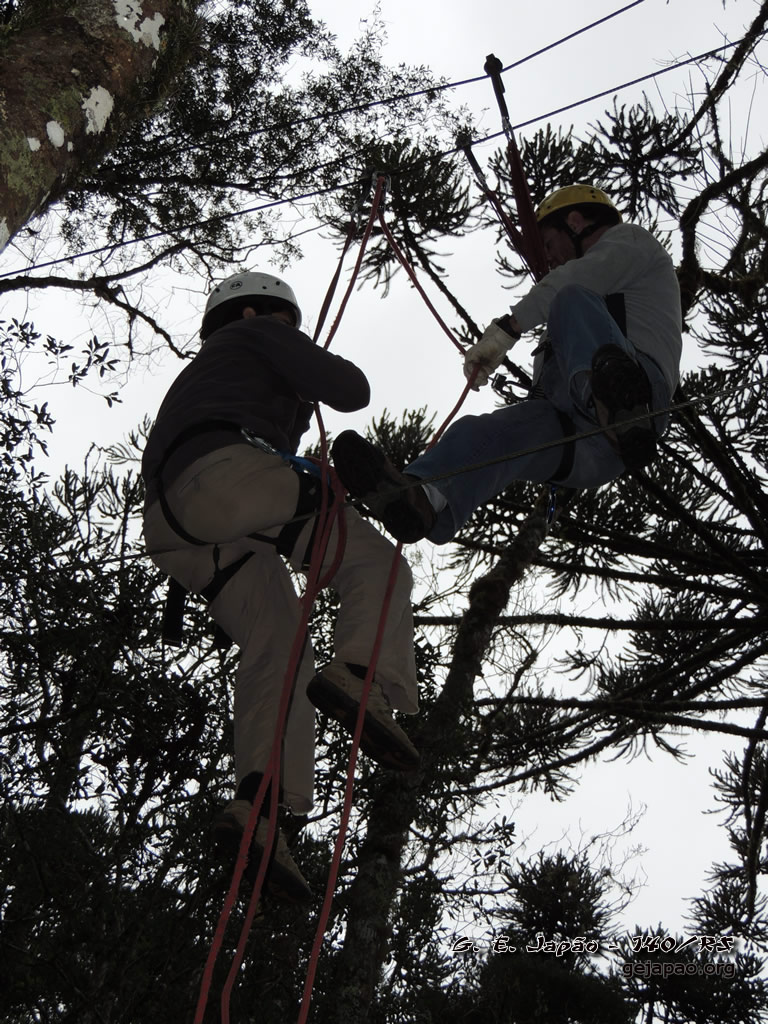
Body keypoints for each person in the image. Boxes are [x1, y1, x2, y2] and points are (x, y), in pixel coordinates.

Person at [141, 271, 419, 902]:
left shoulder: (213, 371)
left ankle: (259, 807)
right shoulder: (258, 333)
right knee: (376, 563)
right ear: (254, 313)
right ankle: (363, 673)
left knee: (281, 643)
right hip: (224, 478)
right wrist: (301, 355)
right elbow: (350, 390)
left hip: (177, 523)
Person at [330, 184, 683, 545]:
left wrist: (507, 330)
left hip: (640, 400)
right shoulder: (574, 316)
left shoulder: (629, 241)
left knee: (570, 300)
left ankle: (621, 407)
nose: (550, 260)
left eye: (549, 245)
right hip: (588, 447)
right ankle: (423, 500)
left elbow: (576, 281)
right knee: (483, 433)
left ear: (575, 222)